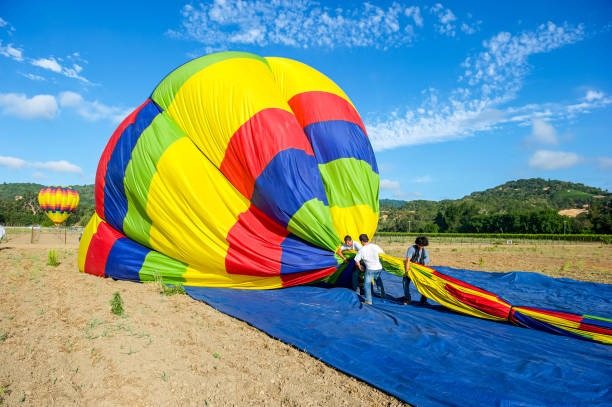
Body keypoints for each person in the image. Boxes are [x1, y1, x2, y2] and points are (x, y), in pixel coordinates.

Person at [354, 234, 385, 305]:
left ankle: (368, 301)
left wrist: (359, 266)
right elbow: (383, 255)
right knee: (378, 280)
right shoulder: (375, 246)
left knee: (367, 285)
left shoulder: (362, 249)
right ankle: (382, 294)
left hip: (370, 269)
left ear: (362, 241)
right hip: (379, 268)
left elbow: (356, 260)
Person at [404, 236, 430, 305]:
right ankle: (407, 299)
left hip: (419, 271)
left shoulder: (425, 251)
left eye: (423, 246)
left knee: (424, 284)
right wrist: (406, 271)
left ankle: (423, 300)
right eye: (420, 245)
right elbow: (408, 261)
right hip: (410, 269)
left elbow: (426, 264)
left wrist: (424, 273)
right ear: (417, 243)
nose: (422, 247)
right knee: (405, 283)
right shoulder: (411, 249)